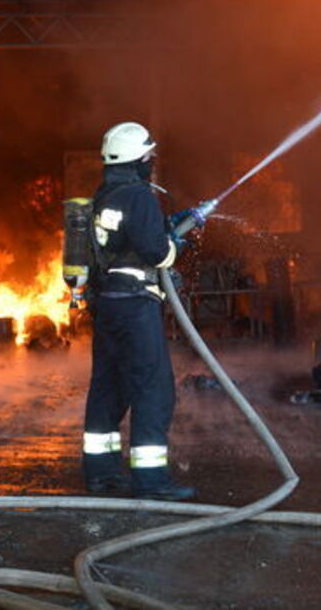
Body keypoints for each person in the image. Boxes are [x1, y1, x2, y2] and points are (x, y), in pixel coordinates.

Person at [81, 121, 196, 501]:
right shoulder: (139, 196)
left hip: (109, 304)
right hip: (136, 306)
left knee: (108, 389)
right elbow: (156, 253)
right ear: (137, 159)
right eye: (149, 155)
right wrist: (177, 243)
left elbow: (125, 240)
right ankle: (151, 481)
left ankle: (101, 474)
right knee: (152, 388)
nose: (152, 160)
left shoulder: (105, 195)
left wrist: (167, 226)